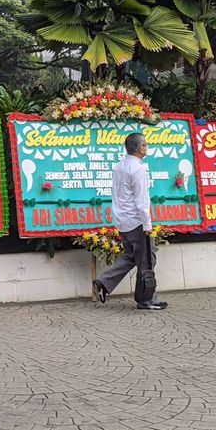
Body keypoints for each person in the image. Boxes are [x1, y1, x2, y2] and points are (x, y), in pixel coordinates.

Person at [92, 132, 168, 310]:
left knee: (132, 256)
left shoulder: (120, 166)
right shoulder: (138, 169)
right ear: (141, 148)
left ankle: (104, 282)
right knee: (147, 260)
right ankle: (147, 299)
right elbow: (141, 200)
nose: (146, 147)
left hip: (123, 220)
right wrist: (147, 224)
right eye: (146, 145)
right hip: (136, 221)